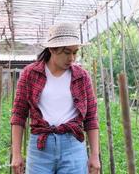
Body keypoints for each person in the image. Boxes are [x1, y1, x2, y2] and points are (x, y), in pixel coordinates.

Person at [10, 23, 100, 174]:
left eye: (75, 52)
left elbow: (91, 117)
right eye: (66, 52)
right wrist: (17, 154)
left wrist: (95, 156)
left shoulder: (81, 77)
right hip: (40, 147)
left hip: (73, 145)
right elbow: (19, 115)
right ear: (52, 49)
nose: (71, 58)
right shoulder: (30, 74)